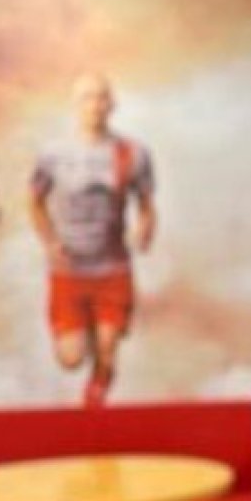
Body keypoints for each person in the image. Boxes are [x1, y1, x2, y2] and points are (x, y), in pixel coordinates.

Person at [30, 73, 156, 408]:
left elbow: (146, 204)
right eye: (88, 98)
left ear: (112, 104)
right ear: (75, 104)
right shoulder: (53, 153)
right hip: (69, 271)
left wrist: (144, 229)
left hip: (112, 269)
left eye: (102, 98)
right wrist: (49, 241)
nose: (95, 105)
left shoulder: (133, 153)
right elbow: (34, 200)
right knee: (71, 358)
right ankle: (81, 332)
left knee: (107, 348)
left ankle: (93, 403)